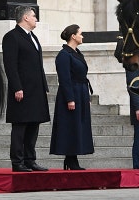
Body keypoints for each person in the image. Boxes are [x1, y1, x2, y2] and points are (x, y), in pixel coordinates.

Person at [2, 6, 50, 172]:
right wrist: (17, 87)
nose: (36, 19)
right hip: (22, 90)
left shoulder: (33, 37)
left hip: (36, 90)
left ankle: (30, 160)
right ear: (25, 18)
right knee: (20, 127)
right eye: (34, 16)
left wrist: (44, 86)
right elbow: (10, 65)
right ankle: (18, 161)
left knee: (33, 126)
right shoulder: (12, 37)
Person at [50, 24, 94, 170]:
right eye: (80, 34)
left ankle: (72, 158)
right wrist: (70, 99)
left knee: (77, 126)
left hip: (80, 92)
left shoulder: (76, 53)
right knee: (70, 126)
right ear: (73, 36)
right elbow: (64, 79)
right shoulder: (63, 54)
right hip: (71, 93)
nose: (82, 36)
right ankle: (70, 159)